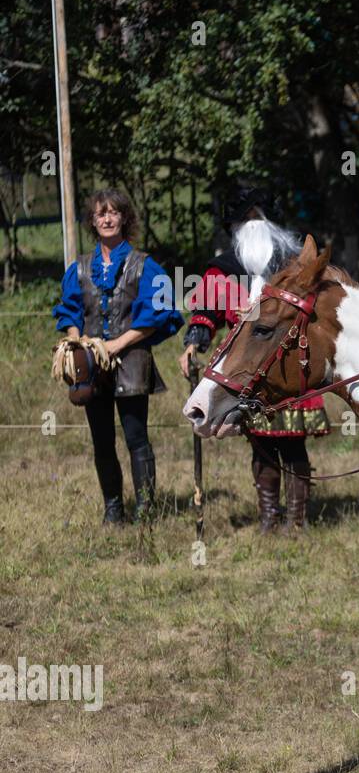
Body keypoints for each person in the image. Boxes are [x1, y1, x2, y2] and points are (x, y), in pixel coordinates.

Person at [178, 185, 331, 532]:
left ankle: (296, 521)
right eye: (245, 218)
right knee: (261, 447)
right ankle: (268, 519)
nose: (253, 223)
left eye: (258, 216)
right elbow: (205, 313)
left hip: (290, 365)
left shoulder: (295, 265)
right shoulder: (221, 270)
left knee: (293, 446)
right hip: (246, 372)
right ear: (233, 226)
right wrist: (193, 345)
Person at [52, 189, 182, 523]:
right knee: (102, 440)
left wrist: (116, 344)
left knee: (136, 438)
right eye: (100, 214)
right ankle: (113, 509)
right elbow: (69, 312)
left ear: (124, 218)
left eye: (113, 212)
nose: (107, 218)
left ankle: (145, 509)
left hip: (133, 362)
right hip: (92, 367)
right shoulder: (79, 268)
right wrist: (77, 343)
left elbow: (157, 316)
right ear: (93, 222)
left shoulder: (144, 266)